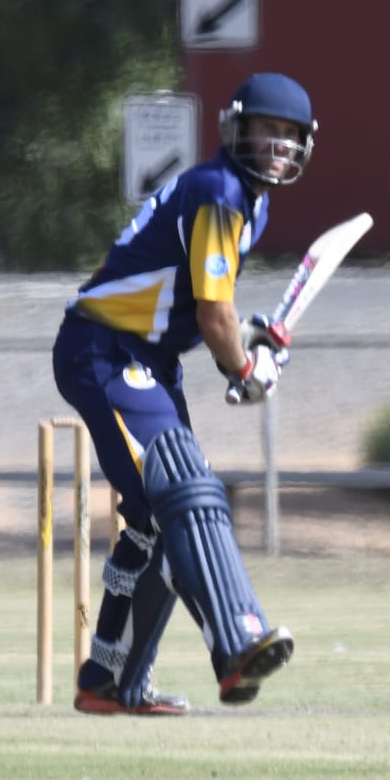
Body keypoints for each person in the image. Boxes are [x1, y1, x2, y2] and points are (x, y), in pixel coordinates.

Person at [52, 72, 311, 715]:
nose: (277, 146)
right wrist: (242, 369)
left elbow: (194, 301)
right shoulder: (221, 191)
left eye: (288, 136)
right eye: (266, 131)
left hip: (148, 356)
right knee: (187, 494)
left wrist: (247, 339)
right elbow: (215, 317)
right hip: (106, 349)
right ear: (236, 129)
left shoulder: (243, 197)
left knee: (157, 513)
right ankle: (237, 640)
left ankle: (109, 679)